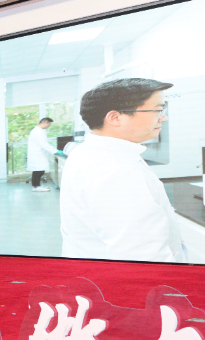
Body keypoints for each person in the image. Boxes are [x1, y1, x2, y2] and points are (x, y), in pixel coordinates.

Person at [59, 78, 184, 263]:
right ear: (115, 118)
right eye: (157, 110)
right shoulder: (116, 170)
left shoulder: (89, 152)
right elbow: (141, 256)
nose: (163, 117)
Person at [27, 117, 57, 192]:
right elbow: (44, 144)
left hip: (39, 154)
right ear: (45, 123)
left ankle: (37, 186)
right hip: (37, 155)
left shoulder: (38, 131)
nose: (48, 126)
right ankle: (36, 187)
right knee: (38, 171)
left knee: (39, 171)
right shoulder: (37, 132)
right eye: (49, 124)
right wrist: (55, 151)